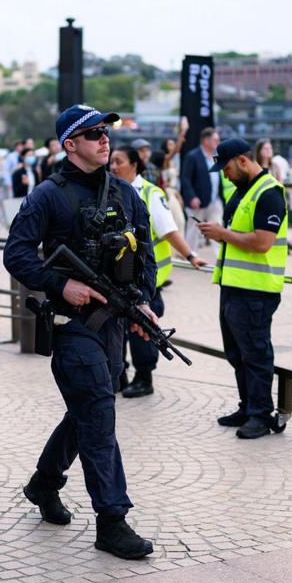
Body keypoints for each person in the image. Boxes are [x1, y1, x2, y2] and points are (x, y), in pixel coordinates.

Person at [3, 104, 157, 560]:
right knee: (98, 415)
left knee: (87, 411)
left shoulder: (125, 193)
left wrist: (143, 302)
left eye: (106, 131)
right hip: (72, 326)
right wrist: (60, 284)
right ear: (70, 144)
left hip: (113, 324)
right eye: (93, 134)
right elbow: (17, 254)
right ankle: (112, 520)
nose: (104, 139)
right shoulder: (48, 196)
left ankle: (44, 483)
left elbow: (145, 253)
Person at [199, 138, 289, 439]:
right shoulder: (242, 191)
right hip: (234, 286)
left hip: (256, 289)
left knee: (255, 353)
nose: (225, 175)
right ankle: (248, 407)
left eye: (226, 168)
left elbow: (263, 242)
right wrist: (220, 234)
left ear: (241, 160)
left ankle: (261, 415)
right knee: (237, 353)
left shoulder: (269, 192)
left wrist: (222, 234)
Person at [108, 145, 206, 398]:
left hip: (144, 283)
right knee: (117, 331)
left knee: (142, 332)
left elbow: (169, 231)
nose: (113, 167)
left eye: (118, 161)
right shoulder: (108, 190)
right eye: (111, 162)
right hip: (116, 281)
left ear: (134, 165)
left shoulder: (150, 193)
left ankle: (144, 378)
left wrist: (191, 255)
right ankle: (120, 375)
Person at [181, 127, 223, 254]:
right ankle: (191, 255)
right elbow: (185, 178)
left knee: (218, 227)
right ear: (206, 141)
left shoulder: (216, 156)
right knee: (193, 230)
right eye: (215, 140)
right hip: (197, 201)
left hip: (215, 200)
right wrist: (191, 197)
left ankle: (221, 257)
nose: (218, 142)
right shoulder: (192, 156)